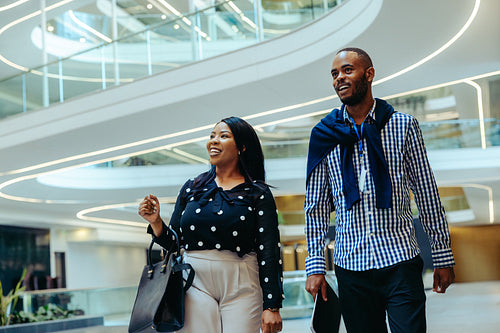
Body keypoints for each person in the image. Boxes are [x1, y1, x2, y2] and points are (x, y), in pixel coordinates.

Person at [304, 47, 455, 333]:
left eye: (347, 70)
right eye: (335, 74)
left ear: (369, 74)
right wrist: (315, 265)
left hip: (400, 260)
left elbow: (426, 192)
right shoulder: (324, 134)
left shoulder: (403, 126)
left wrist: (442, 254)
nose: (339, 78)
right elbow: (316, 208)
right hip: (351, 266)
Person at [138, 116, 284, 333]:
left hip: (242, 282)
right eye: (212, 136)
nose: (214, 141)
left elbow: (269, 251)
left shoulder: (258, 193)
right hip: (194, 281)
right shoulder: (192, 188)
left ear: (241, 147)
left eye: (224, 136)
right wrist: (156, 223)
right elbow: (174, 244)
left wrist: (272, 305)